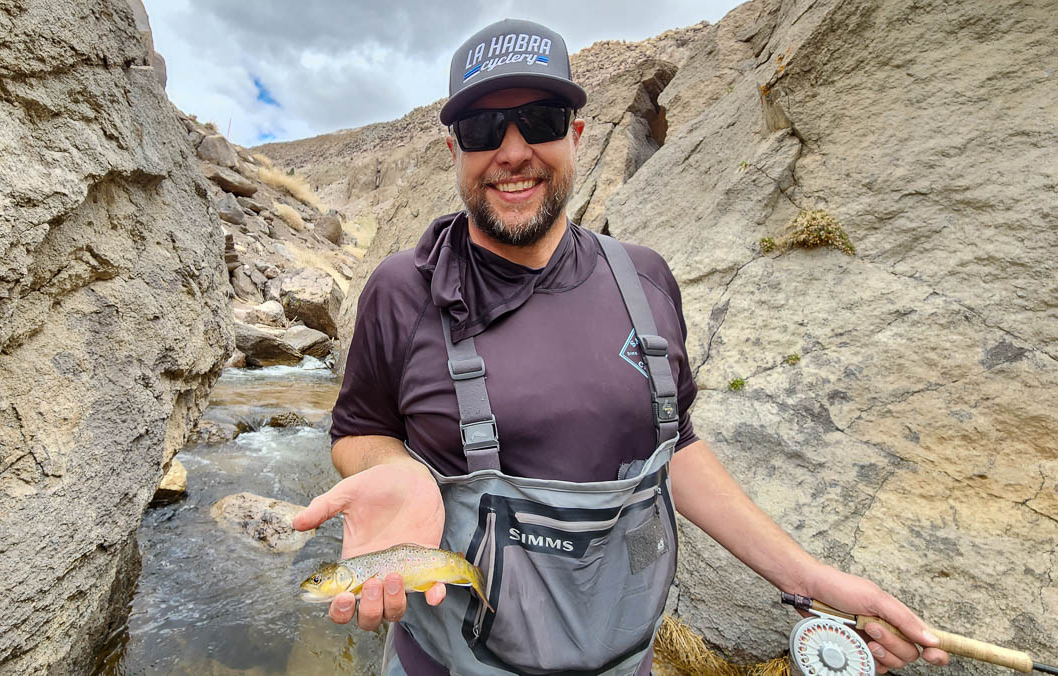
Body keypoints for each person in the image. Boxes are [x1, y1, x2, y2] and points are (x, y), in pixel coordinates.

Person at [293, 18, 949, 676]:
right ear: (454, 149)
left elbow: (676, 448)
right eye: (484, 130)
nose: (513, 152)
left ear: (575, 135)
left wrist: (812, 579)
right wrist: (400, 473)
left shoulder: (647, 281)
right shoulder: (401, 291)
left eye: (541, 120)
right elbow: (356, 432)